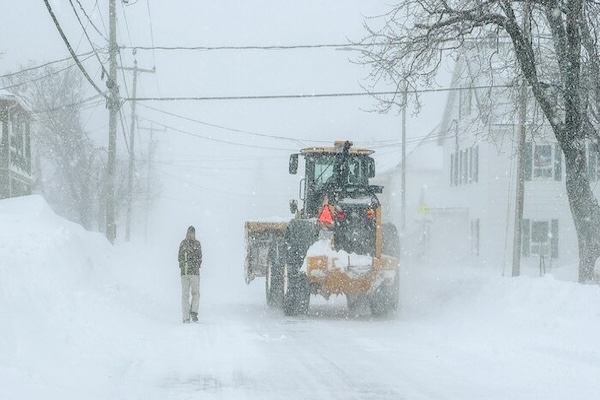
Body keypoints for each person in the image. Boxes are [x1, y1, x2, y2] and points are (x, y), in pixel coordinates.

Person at [178, 225, 202, 323]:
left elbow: (179, 258)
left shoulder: (183, 244)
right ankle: (192, 313)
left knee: (186, 295)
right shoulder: (196, 244)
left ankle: (187, 316)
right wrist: (195, 265)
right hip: (193, 273)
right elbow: (200, 258)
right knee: (194, 294)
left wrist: (183, 266)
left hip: (186, 273)